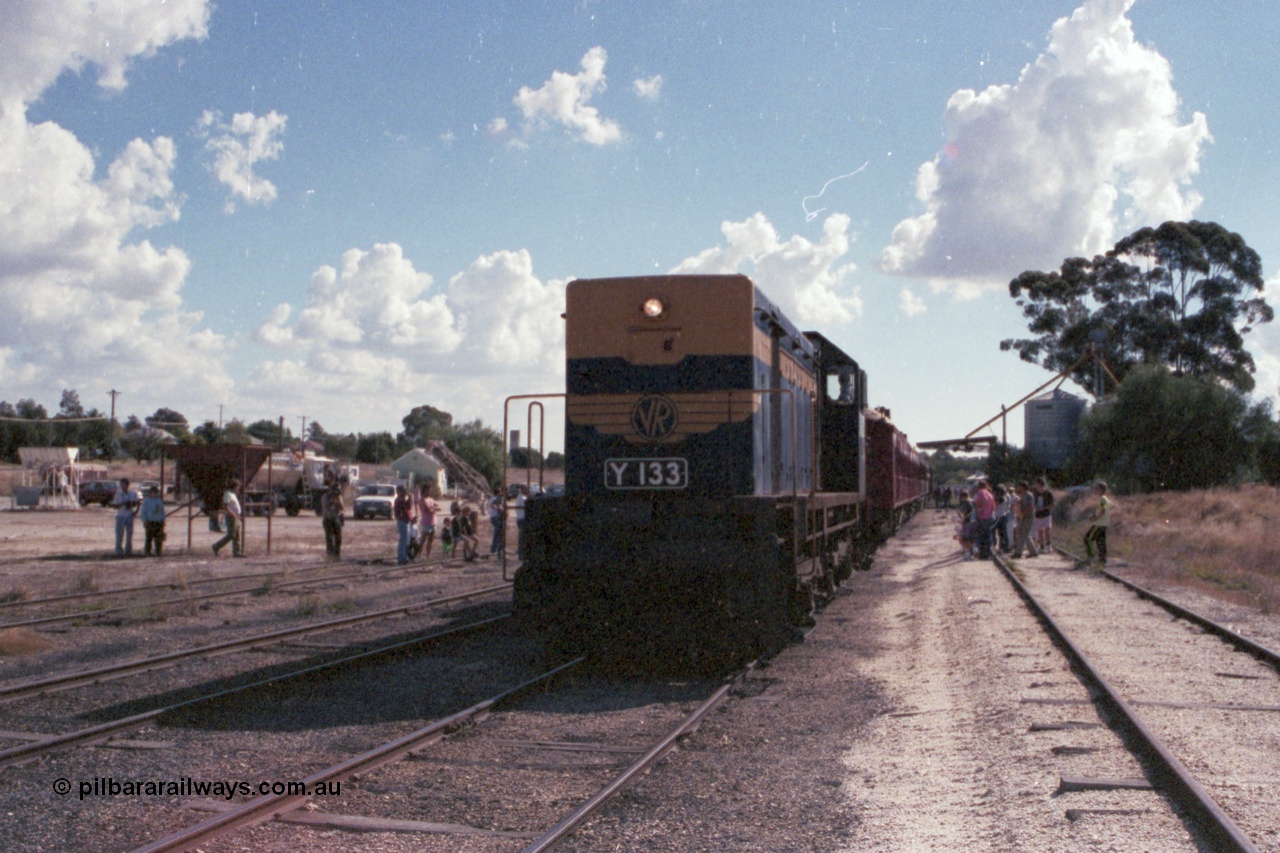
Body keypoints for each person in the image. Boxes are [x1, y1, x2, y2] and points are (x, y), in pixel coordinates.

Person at [1083, 481, 1114, 566]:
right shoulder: (1104, 498)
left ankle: (1091, 557)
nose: (1095, 490)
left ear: (1101, 489)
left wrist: (1095, 518)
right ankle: (1102, 559)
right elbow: (1111, 506)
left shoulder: (1102, 499)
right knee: (1100, 540)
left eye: (1096, 488)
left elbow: (1103, 511)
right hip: (1104, 523)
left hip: (1100, 523)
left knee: (1087, 538)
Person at [212, 479, 243, 557]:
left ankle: (237, 552)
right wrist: (232, 513)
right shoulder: (227, 494)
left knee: (237, 535)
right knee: (231, 534)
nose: (238, 489)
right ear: (233, 486)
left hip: (236, 516)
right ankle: (216, 546)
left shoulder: (233, 494)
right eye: (237, 487)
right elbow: (226, 506)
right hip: (231, 516)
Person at [112, 478, 140, 557]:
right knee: (119, 534)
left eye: (124, 484)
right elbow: (114, 506)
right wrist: (123, 503)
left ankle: (128, 551)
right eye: (121, 485)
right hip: (120, 516)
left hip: (129, 515)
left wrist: (136, 511)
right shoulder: (118, 494)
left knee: (129, 534)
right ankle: (119, 551)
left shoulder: (132, 494)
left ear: (128, 485)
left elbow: (137, 502)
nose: (123, 486)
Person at [1011, 481, 1039, 559]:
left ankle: (1018, 552)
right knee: (1025, 534)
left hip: (1028, 516)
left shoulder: (1029, 496)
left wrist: (1022, 512)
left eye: (1019, 486)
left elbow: (1030, 507)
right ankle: (1033, 552)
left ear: (1023, 487)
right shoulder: (1024, 495)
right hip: (1024, 516)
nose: (1018, 488)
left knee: (1023, 534)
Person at [140, 485, 166, 557]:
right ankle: (147, 552)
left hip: (158, 522)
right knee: (148, 538)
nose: (154, 494)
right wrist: (144, 520)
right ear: (150, 493)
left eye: (155, 493)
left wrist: (163, 520)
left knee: (158, 539)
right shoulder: (147, 501)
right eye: (153, 492)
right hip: (150, 522)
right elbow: (143, 512)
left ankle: (158, 551)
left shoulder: (159, 501)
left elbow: (162, 511)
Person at [972, 479, 995, 559]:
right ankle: (988, 553)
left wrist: (980, 509)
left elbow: (984, 500)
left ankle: (983, 554)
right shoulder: (990, 494)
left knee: (982, 536)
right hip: (989, 517)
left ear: (979, 486)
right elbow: (993, 506)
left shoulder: (981, 493)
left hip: (983, 517)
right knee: (988, 535)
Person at [321, 482, 344, 558]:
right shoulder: (325, 496)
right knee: (329, 539)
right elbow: (327, 507)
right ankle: (330, 555)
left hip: (336, 518)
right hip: (328, 519)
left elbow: (342, 508)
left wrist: (339, 501)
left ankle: (337, 555)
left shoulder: (338, 497)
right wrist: (333, 501)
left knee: (338, 538)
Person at [1032, 477, 1055, 552]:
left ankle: (1048, 544)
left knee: (1047, 529)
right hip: (1038, 515)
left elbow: (1052, 504)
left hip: (1046, 514)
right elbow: (1033, 503)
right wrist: (1036, 507)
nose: (1035, 485)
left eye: (1036, 483)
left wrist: (1044, 508)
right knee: (1040, 531)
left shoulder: (1048, 493)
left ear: (1040, 484)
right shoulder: (1035, 493)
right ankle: (1041, 546)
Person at [417, 486, 439, 561]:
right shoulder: (422, 500)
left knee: (430, 540)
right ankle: (419, 555)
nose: (430, 492)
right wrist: (433, 509)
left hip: (433, 521)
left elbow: (438, 506)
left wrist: (433, 508)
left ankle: (428, 556)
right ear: (425, 490)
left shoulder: (430, 499)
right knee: (423, 540)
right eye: (428, 490)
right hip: (426, 522)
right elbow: (428, 509)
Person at [393, 485, 414, 565]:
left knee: (406, 540)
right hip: (403, 521)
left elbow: (409, 507)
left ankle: (404, 557)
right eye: (404, 491)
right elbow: (408, 507)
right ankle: (401, 558)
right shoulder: (399, 500)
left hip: (406, 521)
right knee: (403, 540)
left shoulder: (402, 499)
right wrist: (410, 498)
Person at [514, 490, 527, 560]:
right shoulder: (521, 498)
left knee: (522, 536)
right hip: (522, 518)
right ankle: (521, 554)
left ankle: (522, 553)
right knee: (522, 537)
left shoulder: (521, 497)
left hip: (520, 517)